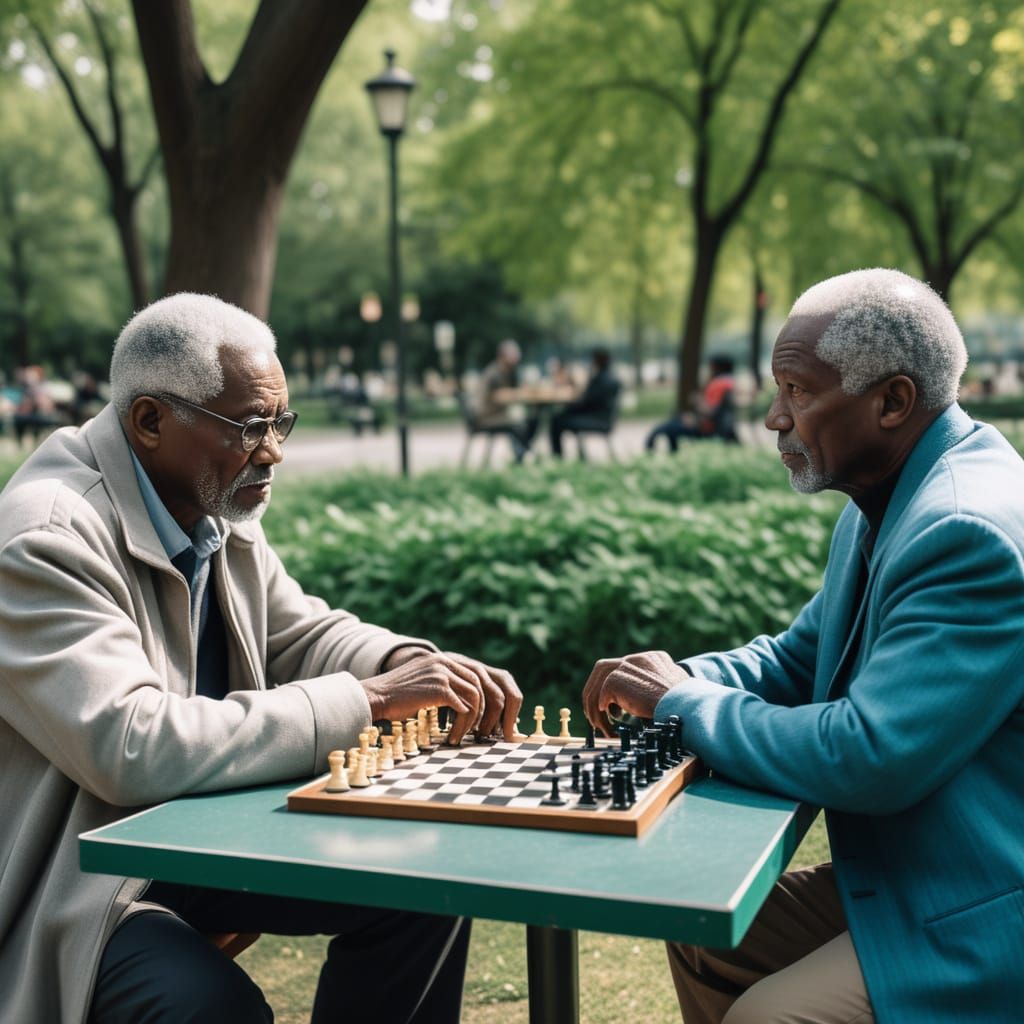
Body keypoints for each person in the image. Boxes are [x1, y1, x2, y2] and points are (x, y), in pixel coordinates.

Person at [0, 293, 523, 1024]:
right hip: (85, 885)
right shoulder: (45, 538)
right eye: (250, 426)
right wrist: (371, 702)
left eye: (281, 421)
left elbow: (299, 634)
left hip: (202, 842)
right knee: (208, 1007)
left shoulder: (210, 499)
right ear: (150, 421)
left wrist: (411, 665)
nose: (273, 450)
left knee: (427, 881)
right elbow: (127, 745)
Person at [582, 268, 1024, 1023]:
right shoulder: (892, 494)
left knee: (770, 1015)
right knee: (701, 933)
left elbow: (870, 755)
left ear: (892, 402)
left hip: (984, 901)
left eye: (798, 391)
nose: (772, 419)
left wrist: (684, 703)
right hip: (930, 879)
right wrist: (672, 678)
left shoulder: (962, 531)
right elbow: (799, 659)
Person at [645, 354, 737, 452]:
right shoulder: (730, 382)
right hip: (709, 424)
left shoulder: (719, 384)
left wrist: (697, 402)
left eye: (711, 367)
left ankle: (669, 453)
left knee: (666, 428)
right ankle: (672, 453)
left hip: (705, 427)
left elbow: (711, 411)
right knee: (671, 423)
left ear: (716, 367)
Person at [472, 338, 538, 462]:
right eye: (513, 355)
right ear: (503, 355)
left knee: (530, 419)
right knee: (518, 421)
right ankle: (525, 451)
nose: (517, 358)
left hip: (498, 411)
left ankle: (522, 452)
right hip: (487, 414)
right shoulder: (494, 373)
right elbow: (500, 396)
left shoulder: (509, 371)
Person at [548, 347, 621, 458]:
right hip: (603, 418)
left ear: (596, 361)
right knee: (559, 419)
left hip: (596, 420)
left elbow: (586, 402)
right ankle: (568, 456)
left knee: (556, 421)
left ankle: (557, 457)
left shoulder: (599, 379)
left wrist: (568, 409)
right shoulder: (610, 377)